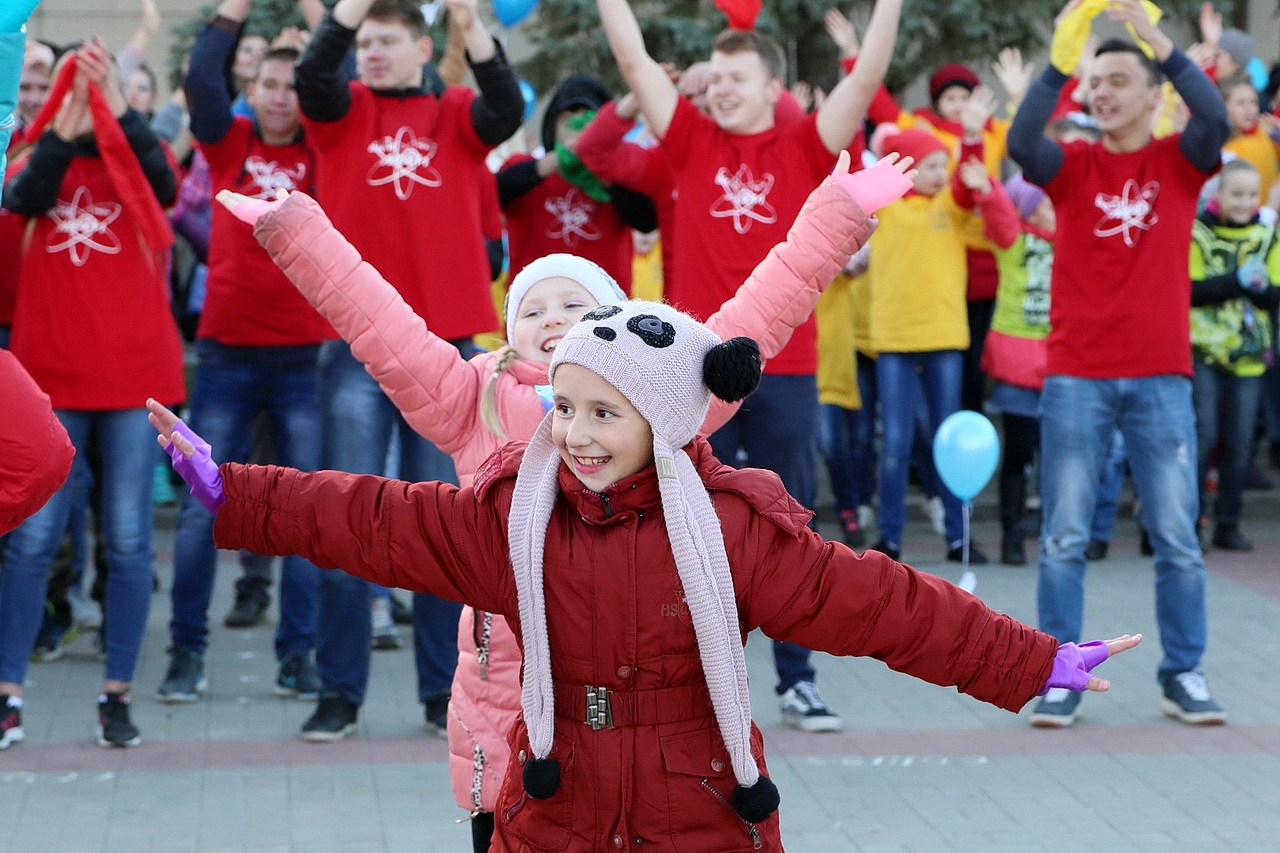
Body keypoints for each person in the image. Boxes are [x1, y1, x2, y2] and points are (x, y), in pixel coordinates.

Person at [149, 299, 1139, 851]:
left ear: (662, 421)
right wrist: (231, 490)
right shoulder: (509, 516)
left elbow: (883, 606)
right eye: (564, 408)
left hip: (700, 806)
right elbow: (364, 518)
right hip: (554, 807)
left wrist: (1032, 661)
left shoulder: (732, 529)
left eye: (601, 413)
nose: (573, 434)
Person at [220, 146, 908, 850]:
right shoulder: (471, 400)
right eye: (532, 308)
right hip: (503, 695)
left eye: (573, 303)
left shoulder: (658, 394)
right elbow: (377, 321)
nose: (551, 317)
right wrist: (292, 229)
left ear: (613, 318)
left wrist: (839, 215)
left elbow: (754, 318)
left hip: (637, 702)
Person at [595, 0, 905, 734]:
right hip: (687, 372)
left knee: (786, 527)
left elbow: (862, 86)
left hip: (784, 366)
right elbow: (636, 63)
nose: (723, 86)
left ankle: (797, 679)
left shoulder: (803, 144)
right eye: (718, 74)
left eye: (740, 75)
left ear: (775, 86)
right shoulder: (690, 140)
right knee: (680, 527)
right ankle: (687, 683)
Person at [290, 0, 523, 741]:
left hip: (446, 350)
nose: (372, 53)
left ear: (424, 46)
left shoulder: (456, 113)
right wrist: (346, 13)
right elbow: (312, 74)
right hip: (357, 347)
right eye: (366, 42)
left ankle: (439, 692)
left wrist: (471, 24)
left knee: (445, 528)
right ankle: (339, 691)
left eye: (388, 40)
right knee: (348, 516)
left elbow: (506, 105)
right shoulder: (341, 113)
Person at [1008, 0, 1229, 727]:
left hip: (1162, 376)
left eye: (1116, 79)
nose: (1100, 92)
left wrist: (1162, 43)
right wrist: (1058, 62)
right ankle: (1063, 673)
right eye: (1093, 81)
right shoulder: (1071, 166)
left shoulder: (1181, 161)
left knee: (1176, 536)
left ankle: (1185, 674)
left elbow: (1215, 120)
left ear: (1152, 92)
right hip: (1076, 375)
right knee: (1066, 535)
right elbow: (1020, 140)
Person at [0, 36, 184, 748]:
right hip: (50, 371)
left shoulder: (134, 154)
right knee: (34, 537)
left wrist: (114, 109)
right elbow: (24, 197)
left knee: (131, 537)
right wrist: (66, 122)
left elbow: (165, 188)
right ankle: (9, 690)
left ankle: (116, 693)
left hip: (134, 374)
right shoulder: (34, 157)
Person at [153, 0, 331, 705]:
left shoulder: (324, 149)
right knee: (204, 509)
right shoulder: (228, 143)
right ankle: (184, 652)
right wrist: (233, 12)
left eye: (292, 85)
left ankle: (298, 656)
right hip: (226, 355)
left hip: (304, 361)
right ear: (250, 90)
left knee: (311, 514)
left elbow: (338, 72)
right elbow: (200, 75)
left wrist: (323, 15)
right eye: (268, 85)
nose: (281, 95)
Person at [865, 125, 1002, 564]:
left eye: (945, 164)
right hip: (894, 339)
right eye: (931, 165)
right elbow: (855, 173)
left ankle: (959, 538)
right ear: (906, 169)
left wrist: (973, 136)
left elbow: (968, 180)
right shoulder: (882, 207)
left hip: (944, 338)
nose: (942, 174)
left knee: (949, 441)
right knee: (896, 443)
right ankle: (889, 538)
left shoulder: (952, 204)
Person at [1189, 158, 1280, 552]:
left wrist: (1259, 289)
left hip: (1248, 355)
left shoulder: (1267, 235)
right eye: (1236, 194)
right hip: (1202, 351)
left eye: (1251, 195)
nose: (1244, 202)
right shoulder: (1197, 232)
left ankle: (1228, 522)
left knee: (1241, 439)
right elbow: (1190, 289)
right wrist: (1236, 282)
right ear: (1219, 194)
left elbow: (1275, 292)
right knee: (1204, 434)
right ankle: (1191, 522)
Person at [497, 74, 656, 291]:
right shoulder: (523, 166)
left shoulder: (621, 173)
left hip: (604, 306)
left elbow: (647, 220)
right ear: (552, 124)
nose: (577, 131)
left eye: (586, 121)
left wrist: (599, 163)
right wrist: (557, 160)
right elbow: (495, 192)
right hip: (538, 305)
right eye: (567, 120)